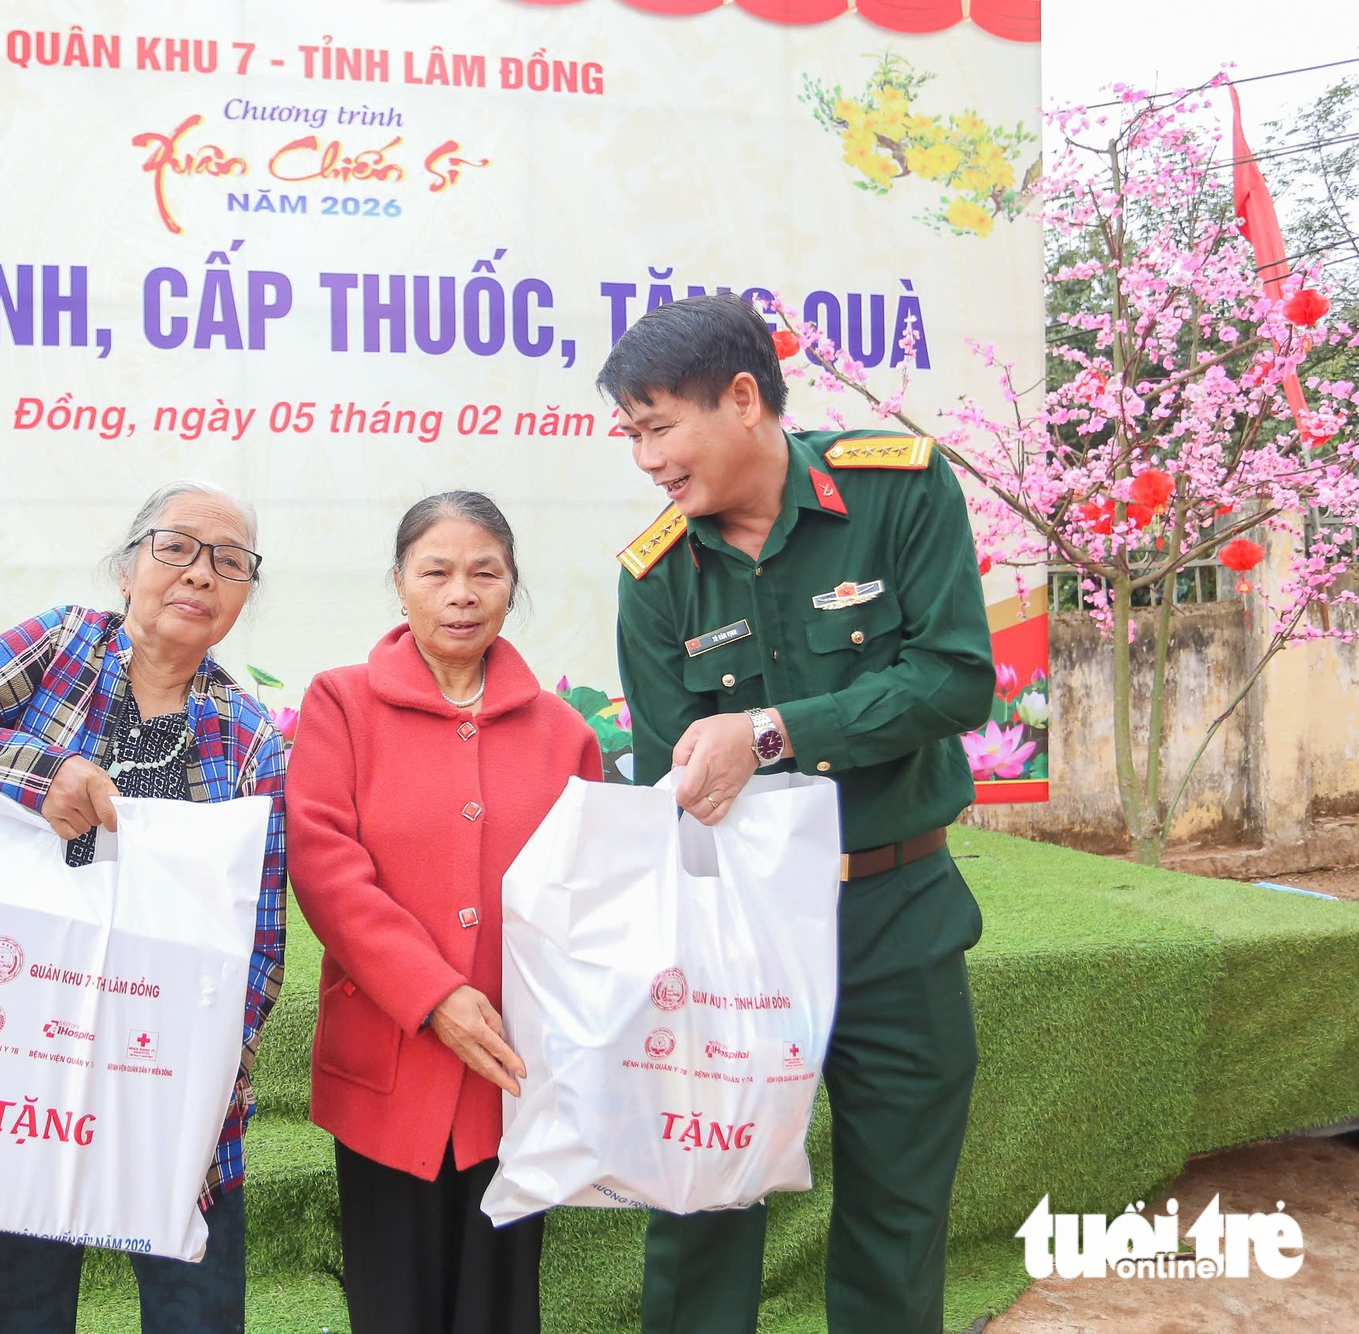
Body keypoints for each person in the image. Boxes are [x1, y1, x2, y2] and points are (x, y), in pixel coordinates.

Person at [604, 295, 994, 1333]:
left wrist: (768, 731)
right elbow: (673, 780)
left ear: (741, 398)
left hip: (894, 912)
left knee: (896, 1215)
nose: (645, 459)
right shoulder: (654, 577)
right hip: (738, 932)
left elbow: (955, 680)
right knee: (701, 1203)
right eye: (631, 434)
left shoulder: (896, 489)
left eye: (656, 426)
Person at [0, 480, 288, 1334]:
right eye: (176, 548)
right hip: (13, 1075)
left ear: (242, 598)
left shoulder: (251, 739)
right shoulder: (61, 647)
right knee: (6, 1314)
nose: (200, 575)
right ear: (128, 569)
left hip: (172, 1104)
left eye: (230, 563)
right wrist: (33, 774)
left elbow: (260, 947)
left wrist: (180, 1076)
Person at [287, 492, 603, 1334]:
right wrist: (431, 994)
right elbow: (326, 867)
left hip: (515, 1068)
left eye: (484, 573)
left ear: (510, 586)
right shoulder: (341, 704)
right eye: (437, 572)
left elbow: (588, 893)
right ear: (401, 584)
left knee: (501, 1307)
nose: (461, 593)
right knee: (395, 1303)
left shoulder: (564, 733)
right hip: (388, 1062)